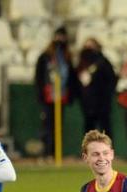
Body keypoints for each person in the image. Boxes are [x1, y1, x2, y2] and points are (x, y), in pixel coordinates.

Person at [35, 27, 77, 160]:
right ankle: (46, 152)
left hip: (61, 96)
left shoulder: (67, 57)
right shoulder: (45, 57)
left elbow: (72, 78)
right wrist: (40, 94)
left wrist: (70, 96)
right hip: (48, 96)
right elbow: (39, 77)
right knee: (47, 126)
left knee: (58, 127)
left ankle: (54, 153)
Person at [77, 37, 117, 136]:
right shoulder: (81, 63)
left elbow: (111, 79)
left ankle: (107, 150)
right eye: (87, 46)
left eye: (91, 46)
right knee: (89, 128)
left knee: (105, 127)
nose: (89, 48)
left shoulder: (103, 61)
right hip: (87, 102)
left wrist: (106, 95)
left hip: (102, 101)